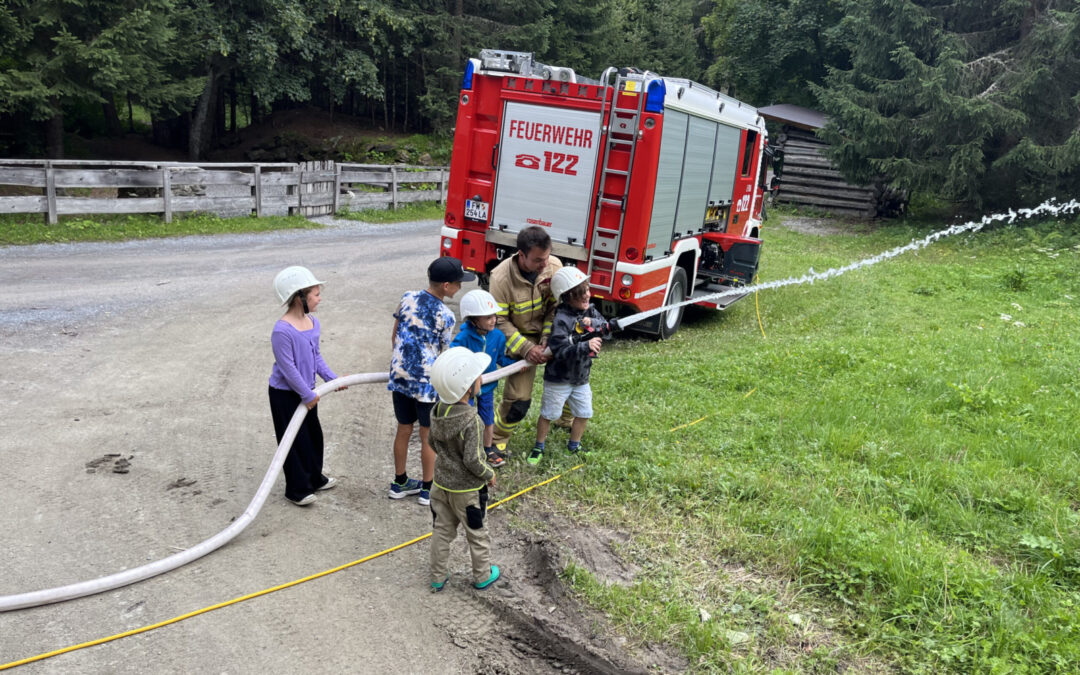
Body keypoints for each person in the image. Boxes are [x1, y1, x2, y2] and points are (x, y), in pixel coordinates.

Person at [388, 256, 474, 506]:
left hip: (401, 376)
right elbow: (443, 354)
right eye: (459, 283)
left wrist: (401, 363)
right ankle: (428, 489)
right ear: (446, 286)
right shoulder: (445, 316)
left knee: (403, 429)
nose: (460, 287)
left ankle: (400, 482)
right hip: (426, 384)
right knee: (427, 436)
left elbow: (395, 335)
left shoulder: (407, 297)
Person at [268, 266, 345, 506]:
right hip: (286, 394)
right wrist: (306, 394)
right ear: (299, 296)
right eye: (315, 294)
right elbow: (288, 368)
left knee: (313, 436)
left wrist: (332, 379)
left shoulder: (313, 322)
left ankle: (314, 478)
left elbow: (316, 357)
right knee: (293, 440)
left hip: (308, 392)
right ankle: (297, 489)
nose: (319, 298)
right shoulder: (282, 331)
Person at [427, 347, 500, 592]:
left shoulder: (436, 410)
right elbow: (473, 460)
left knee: (442, 531)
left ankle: (437, 576)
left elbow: (431, 442)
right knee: (477, 533)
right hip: (467, 492)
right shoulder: (472, 420)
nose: (480, 379)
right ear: (468, 386)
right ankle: (482, 575)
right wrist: (489, 474)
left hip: (440, 486)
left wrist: (448, 459)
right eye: (477, 376)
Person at [488, 226, 563, 452]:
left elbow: (555, 307)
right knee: (518, 400)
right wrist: (528, 349)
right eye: (538, 260)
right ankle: (497, 440)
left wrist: (548, 336)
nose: (544, 265)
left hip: (549, 335)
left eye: (547, 257)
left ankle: (566, 422)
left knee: (573, 376)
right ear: (521, 255)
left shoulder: (554, 267)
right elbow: (499, 321)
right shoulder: (500, 278)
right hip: (518, 340)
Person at [529, 267, 609, 465]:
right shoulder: (561, 319)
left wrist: (595, 323)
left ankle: (574, 445)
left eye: (587, 290)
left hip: (581, 377)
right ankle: (538, 446)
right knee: (549, 414)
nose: (587, 296)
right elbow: (559, 349)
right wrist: (585, 346)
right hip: (559, 379)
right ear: (567, 297)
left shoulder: (589, 310)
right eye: (580, 294)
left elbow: (606, 328)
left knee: (584, 413)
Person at [450, 289, 519, 468]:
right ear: (473, 319)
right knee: (467, 421)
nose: (493, 320)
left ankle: (488, 450)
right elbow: (453, 357)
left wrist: (515, 365)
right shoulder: (463, 338)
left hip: (486, 388)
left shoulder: (498, 336)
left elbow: (500, 359)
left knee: (488, 420)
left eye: (494, 316)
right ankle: (466, 452)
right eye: (488, 318)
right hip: (467, 390)